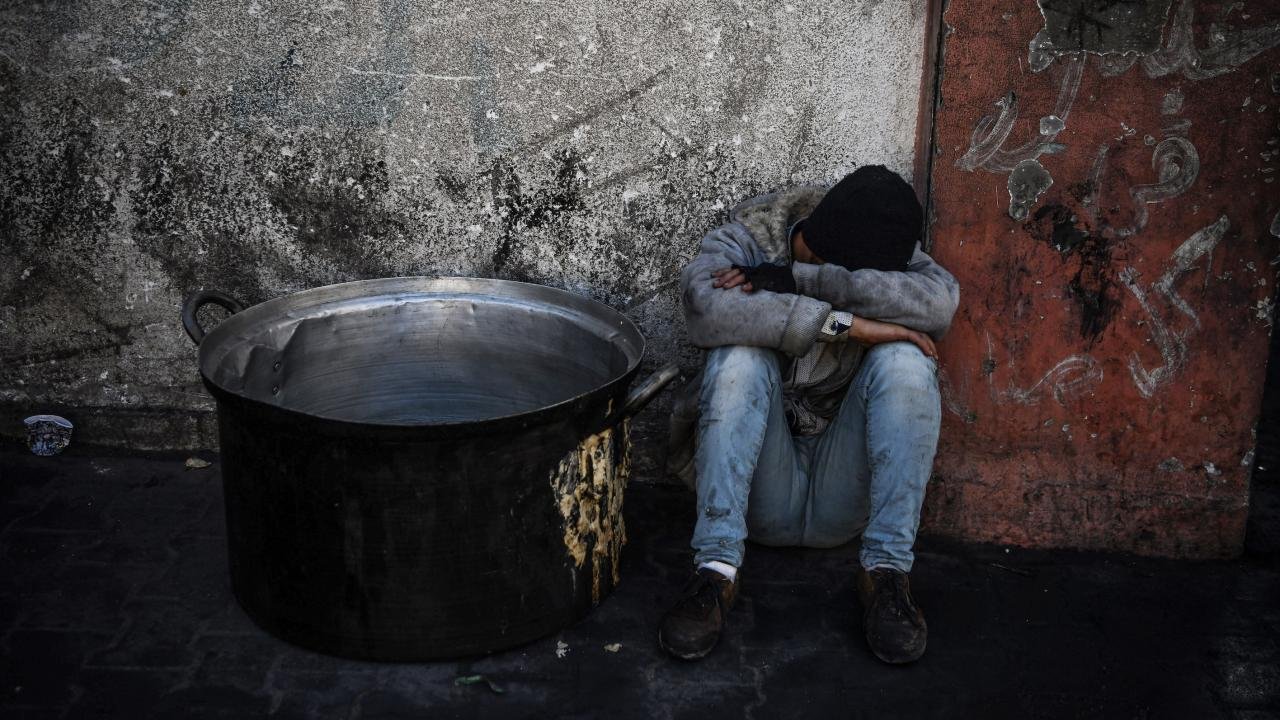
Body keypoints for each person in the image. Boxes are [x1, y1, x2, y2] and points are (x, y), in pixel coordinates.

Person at [659, 165, 960, 664]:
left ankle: (886, 574)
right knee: (739, 355)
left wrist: (803, 281)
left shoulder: (881, 245)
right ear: (817, 248)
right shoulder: (750, 237)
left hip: (844, 492)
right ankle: (715, 571)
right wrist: (845, 324)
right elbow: (706, 305)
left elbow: (939, 304)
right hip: (757, 488)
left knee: (907, 360)